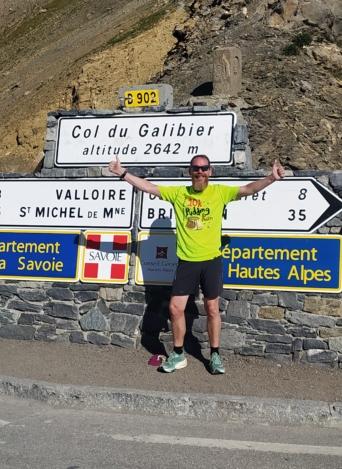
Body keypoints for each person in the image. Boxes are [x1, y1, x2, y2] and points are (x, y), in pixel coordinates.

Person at [109, 154, 286, 374]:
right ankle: (179, 354)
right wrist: (123, 173)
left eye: (204, 168)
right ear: (190, 171)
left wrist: (271, 178)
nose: (200, 171)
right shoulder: (179, 193)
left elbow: (247, 189)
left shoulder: (220, 192)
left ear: (210, 171)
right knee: (175, 308)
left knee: (212, 309)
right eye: (196, 168)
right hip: (187, 261)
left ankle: (214, 355)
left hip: (211, 260)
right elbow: (148, 187)